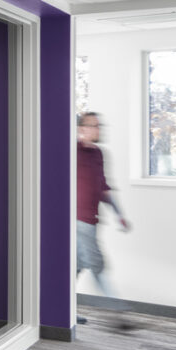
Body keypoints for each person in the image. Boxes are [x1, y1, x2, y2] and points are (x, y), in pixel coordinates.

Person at [76, 112, 135, 331]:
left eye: (99, 125)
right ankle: (119, 314)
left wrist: (119, 213)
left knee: (76, 266)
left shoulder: (98, 154)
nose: (97, 129)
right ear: (81, 128)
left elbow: (103, 187)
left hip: (91, 220)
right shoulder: (71, 152)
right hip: (77, 220)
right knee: (97, 266)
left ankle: (63, 309)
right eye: (93, 125)